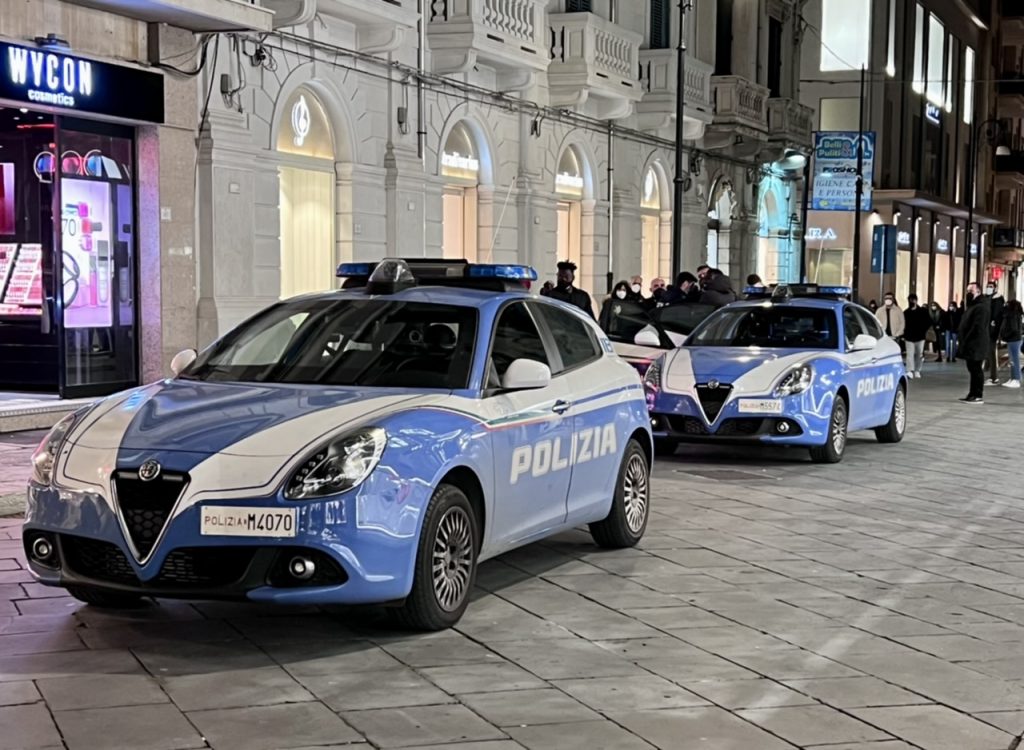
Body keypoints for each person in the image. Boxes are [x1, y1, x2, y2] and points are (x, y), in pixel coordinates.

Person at [958, 282, 991, 404]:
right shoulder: (973, 305)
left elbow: (977, 326)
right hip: (971, 343)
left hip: (976, 343)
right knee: (972, 369)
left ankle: (977, 395)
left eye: (971, 291)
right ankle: (972, 394)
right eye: (967, 291)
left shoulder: (981, 306)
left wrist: (967, 337)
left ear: (978, 291)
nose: (968, 294)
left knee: (976, 369)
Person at [903, 294, 931, 379]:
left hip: (920, 337)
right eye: (909, 300)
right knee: (910, 354)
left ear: (916, 300)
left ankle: (917, 370)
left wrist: (923, 330)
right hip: (909, 337)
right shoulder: (906, 312)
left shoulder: (923, 311)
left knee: (919, 354)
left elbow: (928, 322)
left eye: (912, 300)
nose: (911, 302)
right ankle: (910, 370)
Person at [986, 282, 1005, 385]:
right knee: (989, 353)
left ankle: (993, 377)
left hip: (992, 330)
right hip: (988, 329)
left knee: (991, 352)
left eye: (991, 287)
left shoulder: (997, 300)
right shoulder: (989, 298)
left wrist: (993, 324)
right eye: (988, 286)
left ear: (995, 288)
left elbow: (996, 315)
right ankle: (991, 375)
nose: (988, 288)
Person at [1000, 299, 1023, 389]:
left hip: (1014, 339)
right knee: (1012, 360)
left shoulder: (1012, 315)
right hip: (1014, 339)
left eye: (1007, 304)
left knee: (1014, 360)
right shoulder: (1015, 314)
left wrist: (1005, 336)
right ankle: (1013, 378)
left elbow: (1013, 329)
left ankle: (1016, 379)